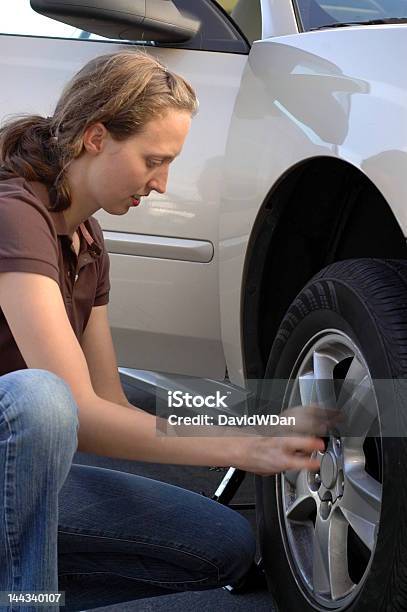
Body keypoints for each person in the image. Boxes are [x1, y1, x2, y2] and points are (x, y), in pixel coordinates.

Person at [0, 49, 325, 611]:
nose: (162, 184)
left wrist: (259, 423)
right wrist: (242, 446)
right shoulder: (14, 215)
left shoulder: (87, 241)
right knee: (42, 398)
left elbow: (108, 407)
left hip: (25, 478)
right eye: (154, 159)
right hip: (13, 452)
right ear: (96, 137)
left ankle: (25, 576)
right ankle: (27, 597)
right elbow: (73, 408)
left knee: (222, 548)